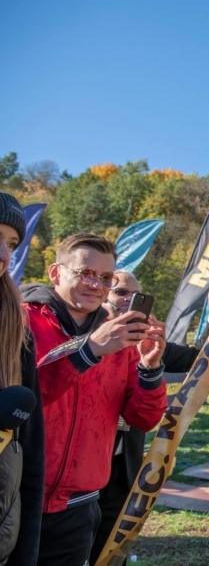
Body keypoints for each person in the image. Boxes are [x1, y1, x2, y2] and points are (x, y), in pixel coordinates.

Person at [21, 233, 168, 566]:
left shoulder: (119, 336)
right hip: (16, 496)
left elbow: (143, 419)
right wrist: (88, 351)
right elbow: (23, 396)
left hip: (79, 505)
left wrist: (150, 367)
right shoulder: (20, 319)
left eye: (105, 278)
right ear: (56, 273)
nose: (95, 285)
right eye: (85, 273)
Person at [89, 272, 209, 566]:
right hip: (76, 470)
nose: (130, 300)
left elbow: (199, 358)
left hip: (122, 468)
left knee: (110, 550)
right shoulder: (83, 339)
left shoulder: (146, 341)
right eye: (121, 292)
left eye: (137, 295)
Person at [0, 192, 44, 566]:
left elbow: (30, 448)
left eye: (12, 243)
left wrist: (26, 551)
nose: (4, 254)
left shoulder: (16, 328)